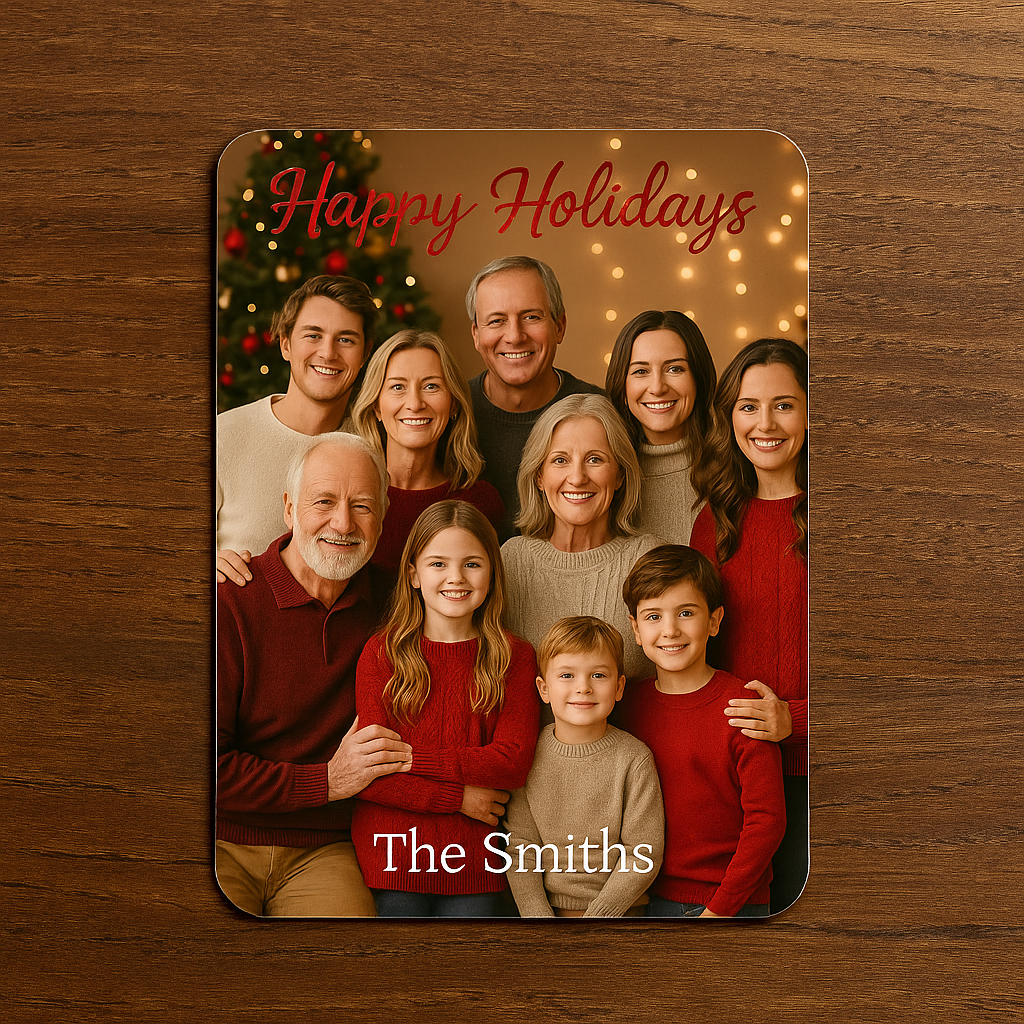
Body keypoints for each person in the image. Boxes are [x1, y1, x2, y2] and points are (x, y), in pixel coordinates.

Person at [216, 433, 413, 917]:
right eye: (323, 501)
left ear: (383, 519)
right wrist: (325, 781)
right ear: (288, 508)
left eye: (362, 506)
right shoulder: (231, 601)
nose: (343, 523)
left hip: (325, 848)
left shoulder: (398, 605)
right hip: (222, 839)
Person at [351, 500, 540, 917]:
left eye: (472, 564)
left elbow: (511, 762)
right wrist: (458, 798)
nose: (456, 578)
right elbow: (370, 777)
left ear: (492, 573)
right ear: (414, 574)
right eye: (438, 564)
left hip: (474, 854)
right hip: (394, 851)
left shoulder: (515, 656)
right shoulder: (382, 654)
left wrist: (413, 758)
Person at [688, 337, 808, 914]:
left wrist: (797, 720)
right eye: (748, 405)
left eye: (784, 405)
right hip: (737, 781)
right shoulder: (714, 523)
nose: (765, 423)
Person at [618, 545, 786, 917]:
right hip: (649, 899)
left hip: (734, 904)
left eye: (686, 613)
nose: (670, 630)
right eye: (653, 616)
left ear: (714, 620)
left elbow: (767, 820)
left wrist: (720, 910)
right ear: (635, 629)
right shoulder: (625, 705)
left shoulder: (743, 706)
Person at [216, 274, 378, 583]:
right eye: (313, 335)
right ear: (286, 344)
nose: (328, 353)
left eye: (346, 339)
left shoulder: (372, 450)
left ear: (365, 353)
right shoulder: (223, 436)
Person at [504, 616, 664, 918]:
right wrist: (538, 919)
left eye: (598, 676)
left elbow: (643, 853)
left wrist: (597, 920)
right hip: (547, 916)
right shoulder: (528, 755)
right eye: (567, 676)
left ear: (619, 687)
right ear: (543, 688)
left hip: (621, 915)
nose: (583, 688)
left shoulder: (634, 759)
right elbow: (520, 847)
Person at [501, 393, 663, 681]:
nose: (577, 477)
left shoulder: (648, 559)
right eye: (560, 460)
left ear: (620, 474)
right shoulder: (508, 560)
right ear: (539, 475)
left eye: (595, 459)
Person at [466, 256, 603, 539]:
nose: (514, 336)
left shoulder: (600, 414)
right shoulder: (451, 412)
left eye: (531, 317)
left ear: (560, 326)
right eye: (496, 321)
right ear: (476, 335)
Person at [349, 329, 503, 577]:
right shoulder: (347, 497)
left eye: (431, 386)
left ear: (453, 403)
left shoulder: (479, 503)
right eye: (398, 387)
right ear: (376, 406)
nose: (415, 403)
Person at [604, 310, 717, 544]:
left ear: (698, 378)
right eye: (640, 371)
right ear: (622, 385)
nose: (657, 387)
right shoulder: (606, 474)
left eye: (675, 369)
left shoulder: (731, 467)